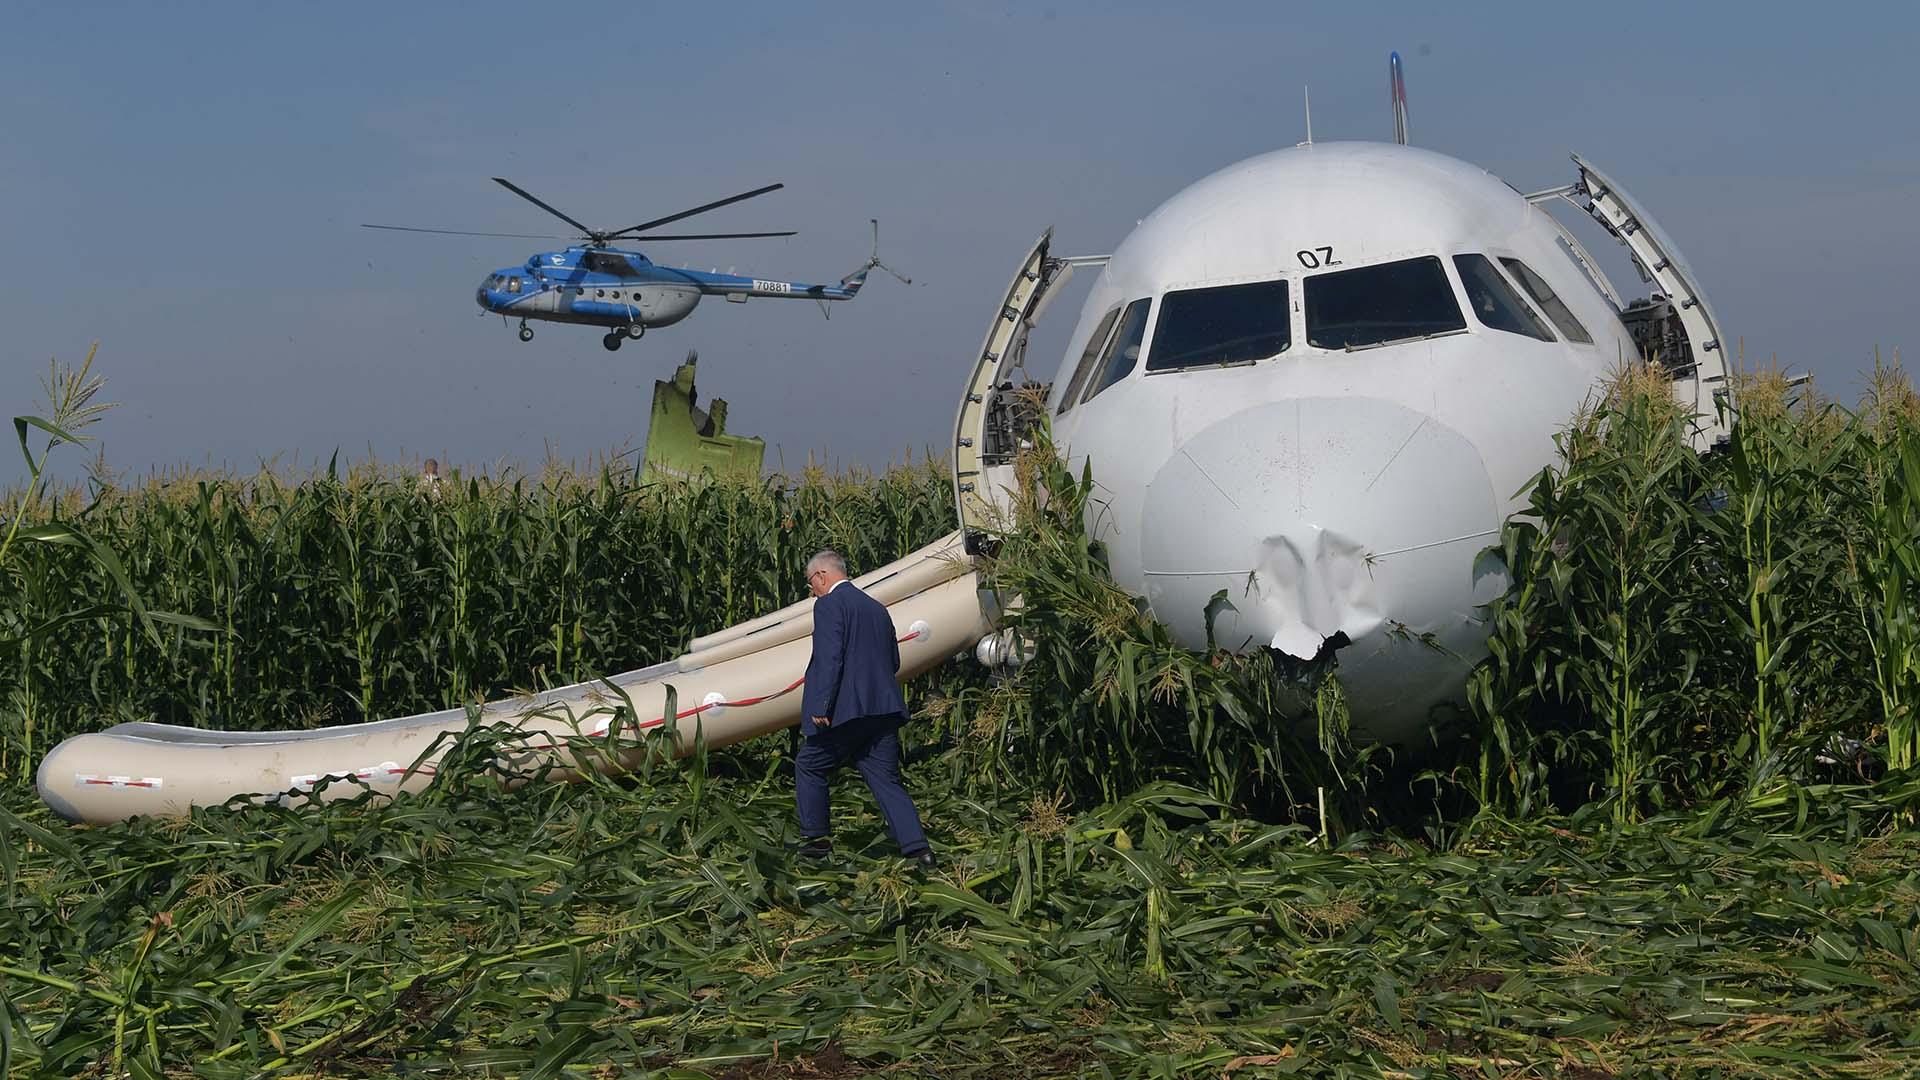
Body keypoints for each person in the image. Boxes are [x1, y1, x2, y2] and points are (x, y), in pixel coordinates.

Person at [794, 549, 935, 869]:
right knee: (886, 779)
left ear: (821, 576)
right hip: (883, 710)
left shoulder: (828, 605)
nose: (811, 590)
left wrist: (821, 703)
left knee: (809, 764)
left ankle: (816, 842)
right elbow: (893, 661)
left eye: (810, 583)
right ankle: (919, 850)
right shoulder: (877, 608)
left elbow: (831, 656)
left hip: (847, 712)